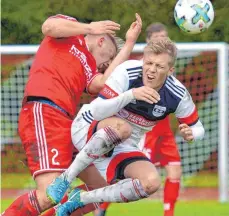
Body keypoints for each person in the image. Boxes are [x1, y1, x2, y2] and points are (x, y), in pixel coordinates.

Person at [3, 13, 142, 216]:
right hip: (44, 111)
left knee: (102, 189)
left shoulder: (88, 67)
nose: (107, 64)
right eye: (110, 57)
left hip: (67, 123)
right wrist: (91, 27)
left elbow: (101, 84)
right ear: (101, 41)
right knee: (49, 194)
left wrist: (130, 43)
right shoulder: (71, 31)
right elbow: (49, 27)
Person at [46, 38, 205, 216]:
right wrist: (131, 95)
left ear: (170, 70)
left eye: (159, 66)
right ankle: (65, 179)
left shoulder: (177, 94)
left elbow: (198, 128)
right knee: (123, 128)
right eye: (148, 63)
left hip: (121, 146)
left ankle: (81, 199)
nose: (151, 70)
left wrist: (192, 133)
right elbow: (98, 110)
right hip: (86, 128)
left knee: (151, 182)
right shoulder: (128, 71)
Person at [96, 22, 181, 216]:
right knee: (128, 174)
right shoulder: (139, 69)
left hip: (165, 132)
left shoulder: (167, 68)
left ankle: (169, 214)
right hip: (145, 131)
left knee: (175, 171)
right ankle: (101, 205)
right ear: (148, 41)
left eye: (165, 38)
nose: (163, 42)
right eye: (158, 39)